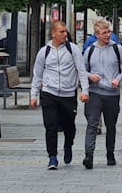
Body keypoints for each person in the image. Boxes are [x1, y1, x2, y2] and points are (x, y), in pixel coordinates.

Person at [30, 21, 90, 170]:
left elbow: (81, 71)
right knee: (51, 126)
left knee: (69, 126)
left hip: (68, 94)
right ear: (53, 34)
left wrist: (85, 91)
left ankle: (68, 145)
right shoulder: (44, 52)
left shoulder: (73, 49)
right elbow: (37, 75)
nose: (65, 34)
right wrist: (33, 95)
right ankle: (52, 157)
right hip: (49, 93)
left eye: (65, 31)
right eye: (62, 32)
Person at [82, 18, 122, 168]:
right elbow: (81, 70)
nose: (107, 35)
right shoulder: (90, 50)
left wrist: (118, 78)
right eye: (104, 33)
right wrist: (90, 76)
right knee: (92, 124)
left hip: (112, 93)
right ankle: (88, 156)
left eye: (108, 31)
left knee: (111, 126)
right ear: (96, 34)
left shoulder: (117, 48)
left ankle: (110, 154)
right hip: (95, 92)